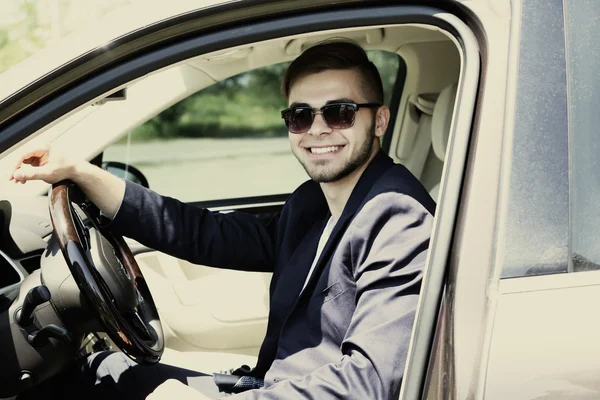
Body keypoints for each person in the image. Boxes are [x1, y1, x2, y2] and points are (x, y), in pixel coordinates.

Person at [10, 40, 435, 400]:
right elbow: (208, 235)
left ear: (379, 119)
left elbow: (368, 383)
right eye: (300, 116)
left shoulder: (398, 218)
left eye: (339, 112)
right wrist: (83, 172)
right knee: (101, 370)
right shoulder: (315, 203)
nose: (317, 129)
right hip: (271, 384)